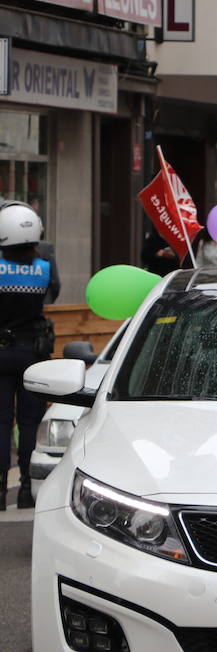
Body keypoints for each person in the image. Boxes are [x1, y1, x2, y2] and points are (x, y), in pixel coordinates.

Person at [0, 204, 56, 510]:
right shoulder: (45, 267)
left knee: (1, 423)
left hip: (1, 352)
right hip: (33, 353)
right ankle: (25, 489)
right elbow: (53, 295)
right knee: (30, 422)